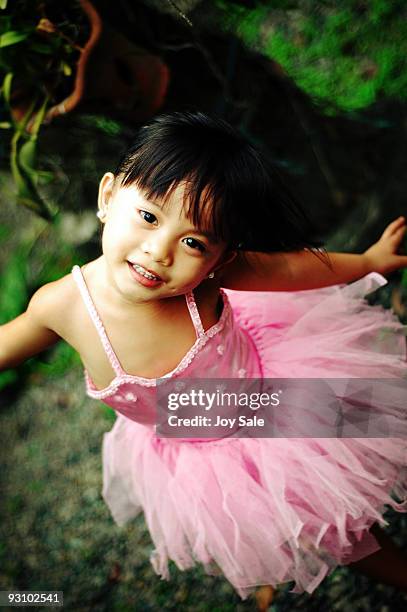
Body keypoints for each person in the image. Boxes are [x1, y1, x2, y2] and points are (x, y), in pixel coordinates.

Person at [1, 112, 407, 609]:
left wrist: (366, 262)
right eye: (148, 217)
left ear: (219, 257)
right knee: (329, 529)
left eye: (193, 242)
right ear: (108, 197)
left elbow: (288, 268)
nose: (158, 252)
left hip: (268, 393)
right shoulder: (60, 306)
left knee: (380, 417)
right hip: (205, 446)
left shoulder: (209, 283)